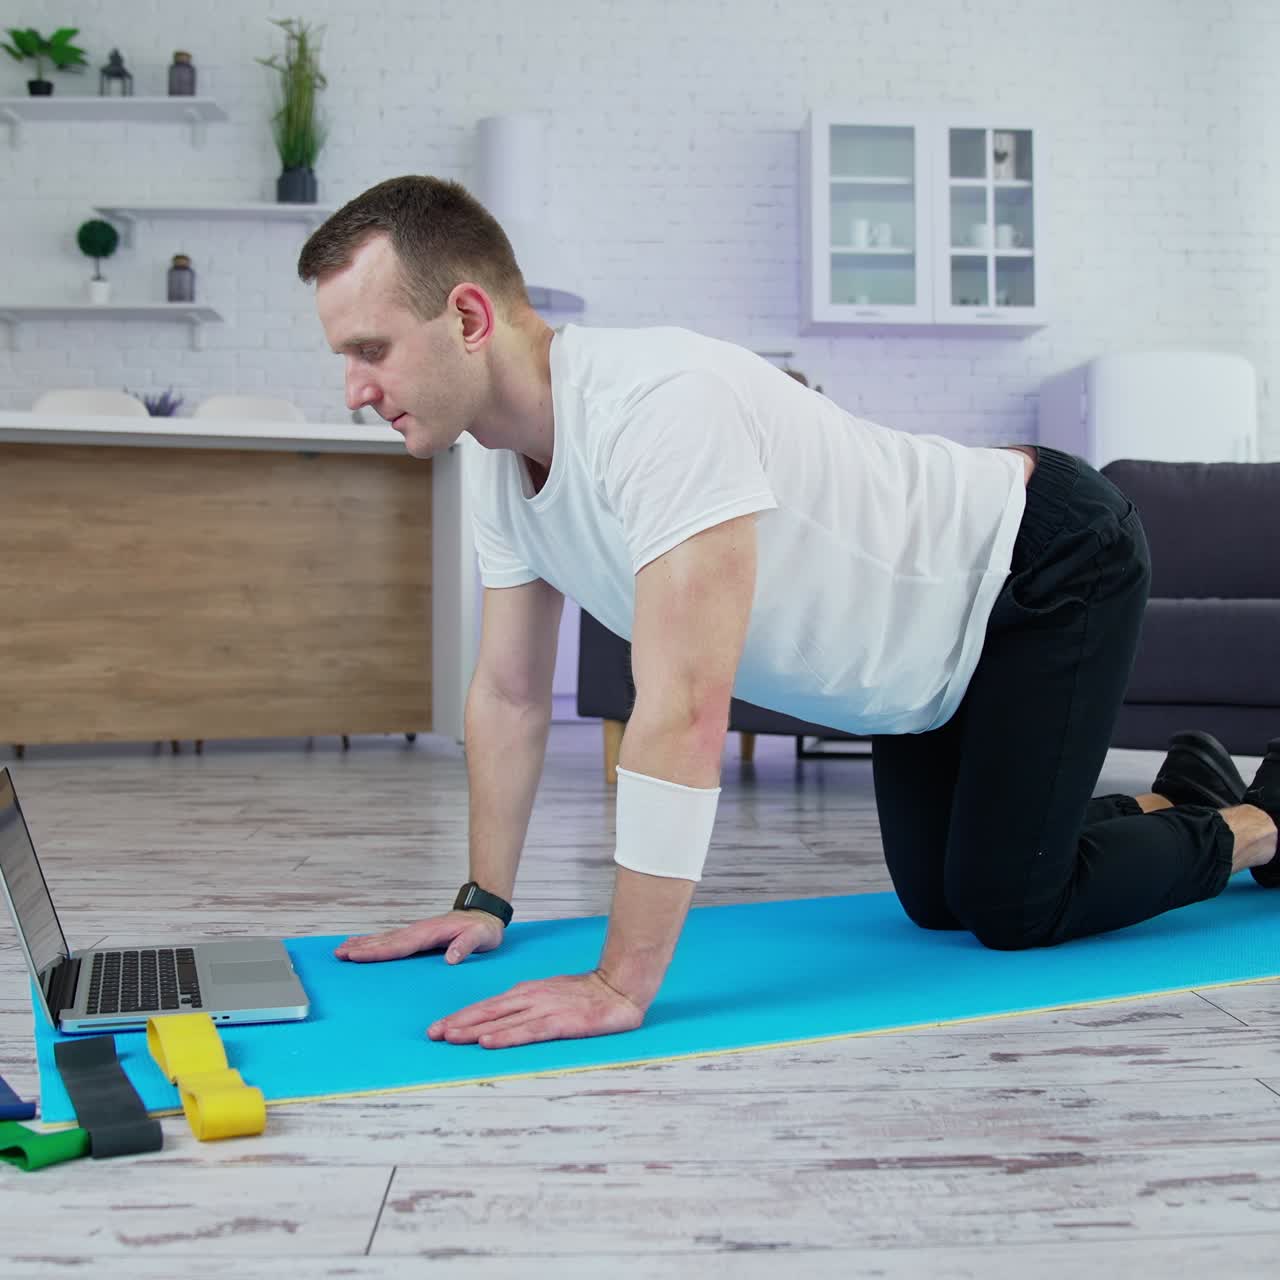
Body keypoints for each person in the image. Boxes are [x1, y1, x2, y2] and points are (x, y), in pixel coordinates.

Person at [296, 175, 1280, 1051]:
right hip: (920, 655)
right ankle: (1182, 785)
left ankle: (1259, 819)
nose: (354, 389)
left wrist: (618, 982)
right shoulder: (495, 460)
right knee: (937, 900)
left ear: (468, 317)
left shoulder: (656, 405)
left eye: (369, 349)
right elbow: (509, 693)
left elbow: (682, 706)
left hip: (1042, 560)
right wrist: (484, 898)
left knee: (1012, 903)